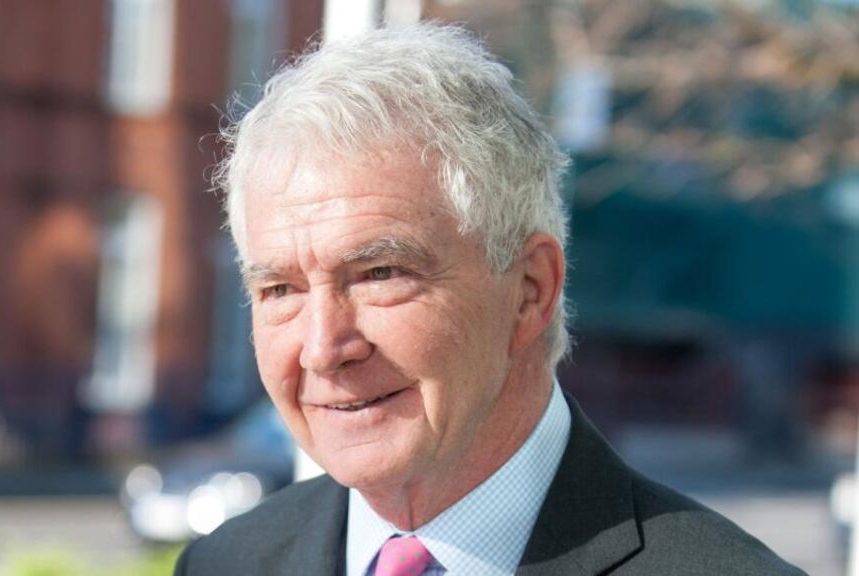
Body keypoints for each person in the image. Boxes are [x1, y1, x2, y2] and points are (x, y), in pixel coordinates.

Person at [175, 23, 803, 576]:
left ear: (530, 291)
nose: (322, 348)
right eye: (279, 288)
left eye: (379, 273)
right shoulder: (225, 562)